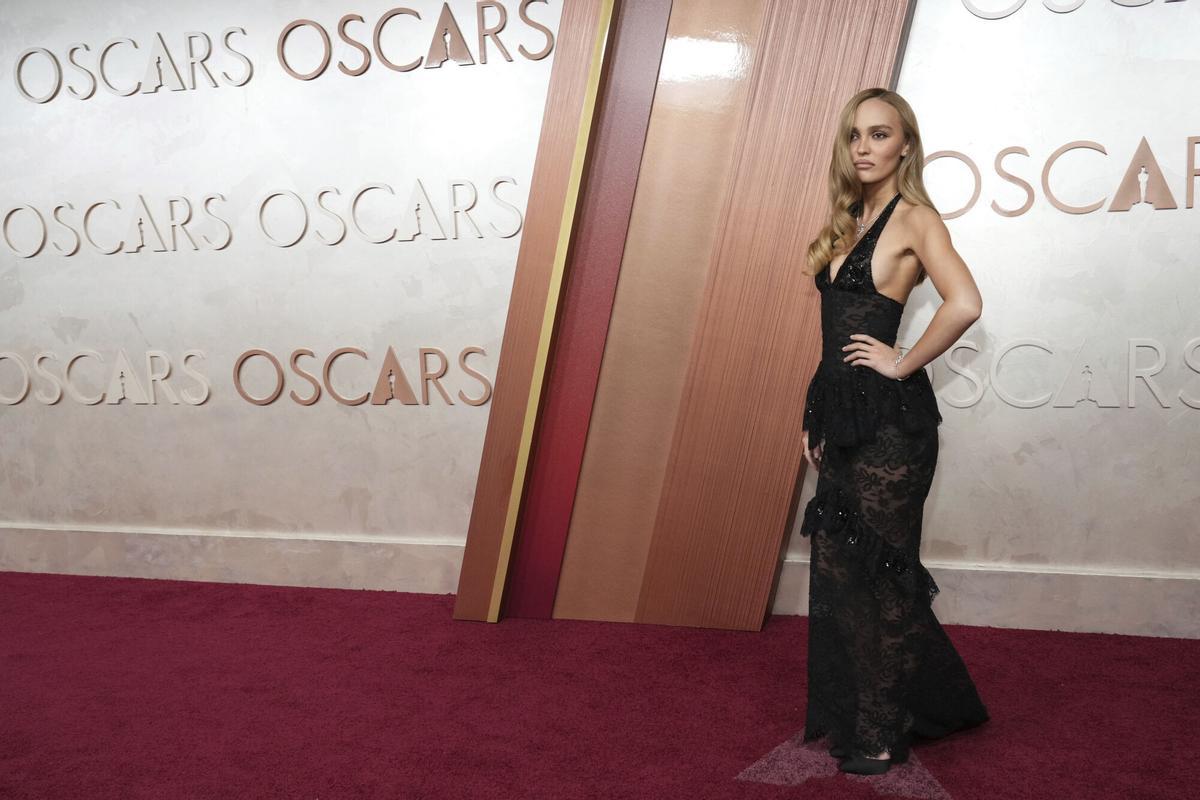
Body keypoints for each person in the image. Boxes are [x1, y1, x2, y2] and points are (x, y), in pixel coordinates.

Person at [797, 87, 990, 775]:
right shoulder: (850, 214)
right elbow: (832, 337)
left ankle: (883, 729)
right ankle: (908, 702)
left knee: (881, 578)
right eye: (855, 135)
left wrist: (903, 361)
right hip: (841, 416)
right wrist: (814, 415)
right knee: (845, 570)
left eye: (879, 134)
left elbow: (965, 303)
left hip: (892, 428)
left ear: (905, 144)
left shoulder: (915, 218)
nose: (864, 147)